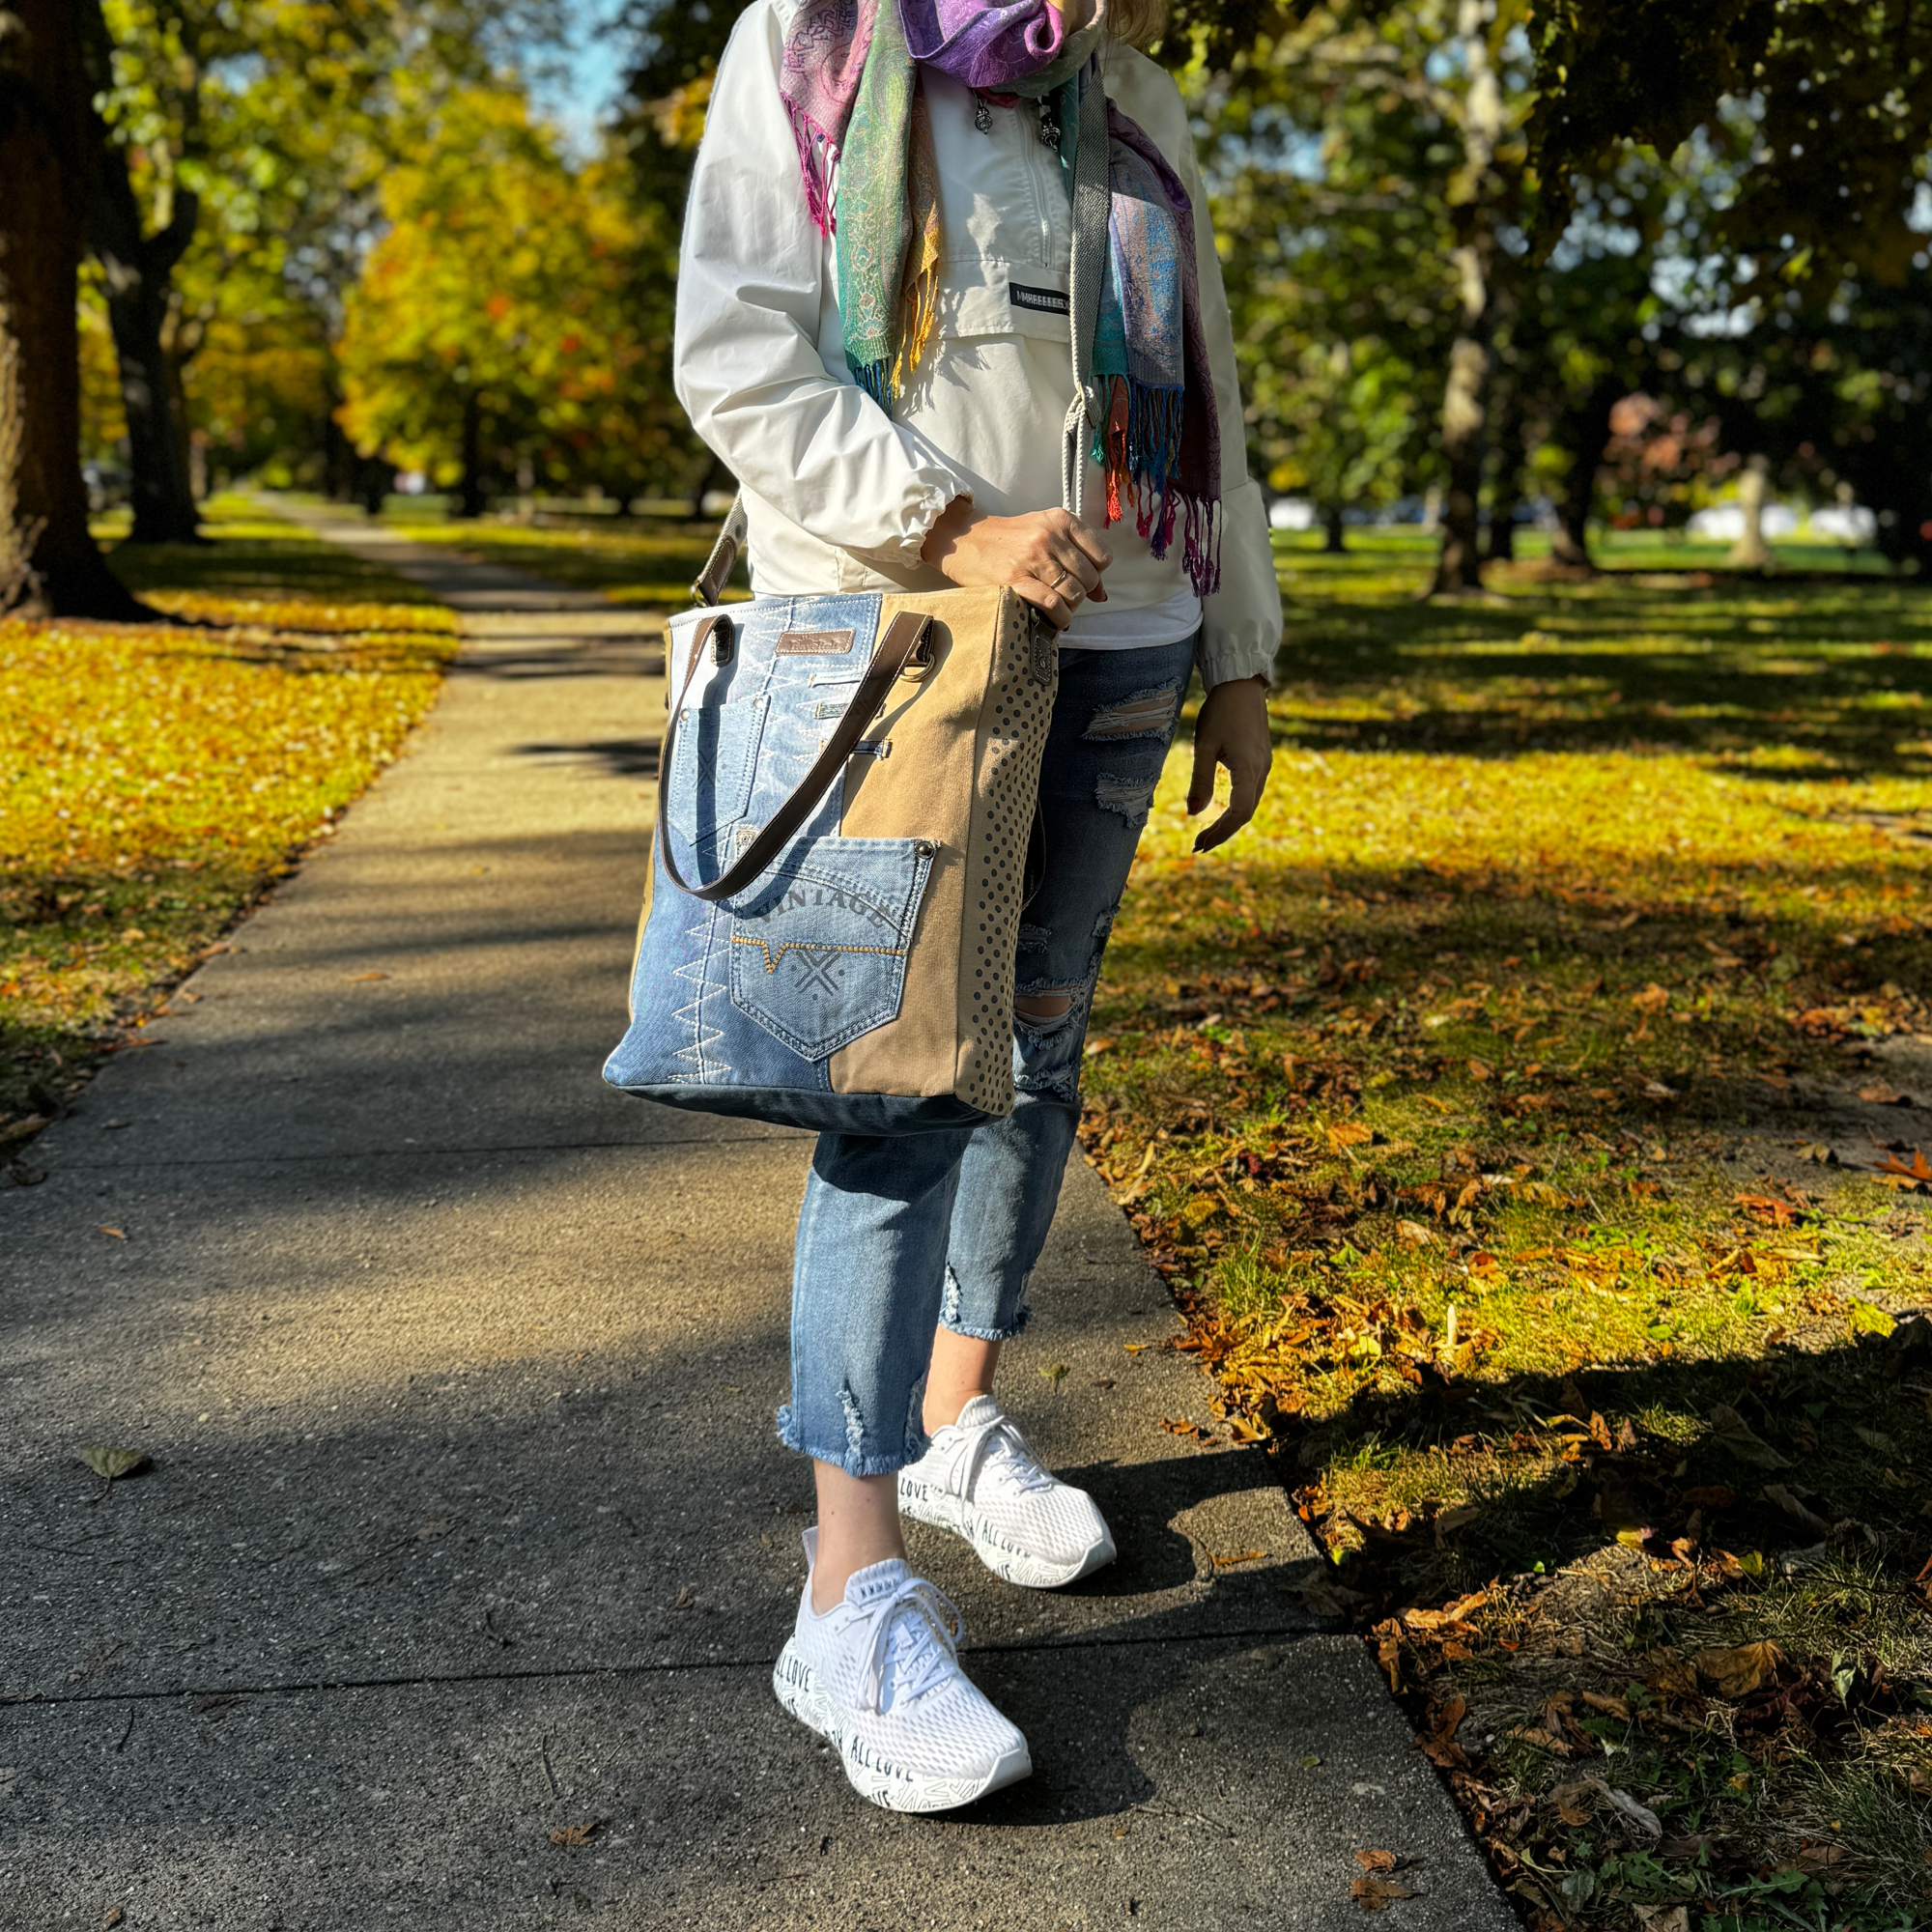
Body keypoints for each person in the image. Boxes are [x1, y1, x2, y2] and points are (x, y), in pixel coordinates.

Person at [673, 0, 1280, 1813]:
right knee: (895, 1082)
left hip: (1127, 640)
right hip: (909, 640)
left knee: (1032, 1042)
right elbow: (740, 350)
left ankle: (954, 1419)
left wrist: (1238, 650)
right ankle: (845, 1588)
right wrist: (954, 526)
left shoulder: (1137, 96)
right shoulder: (813, 40)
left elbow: (1214, 403)